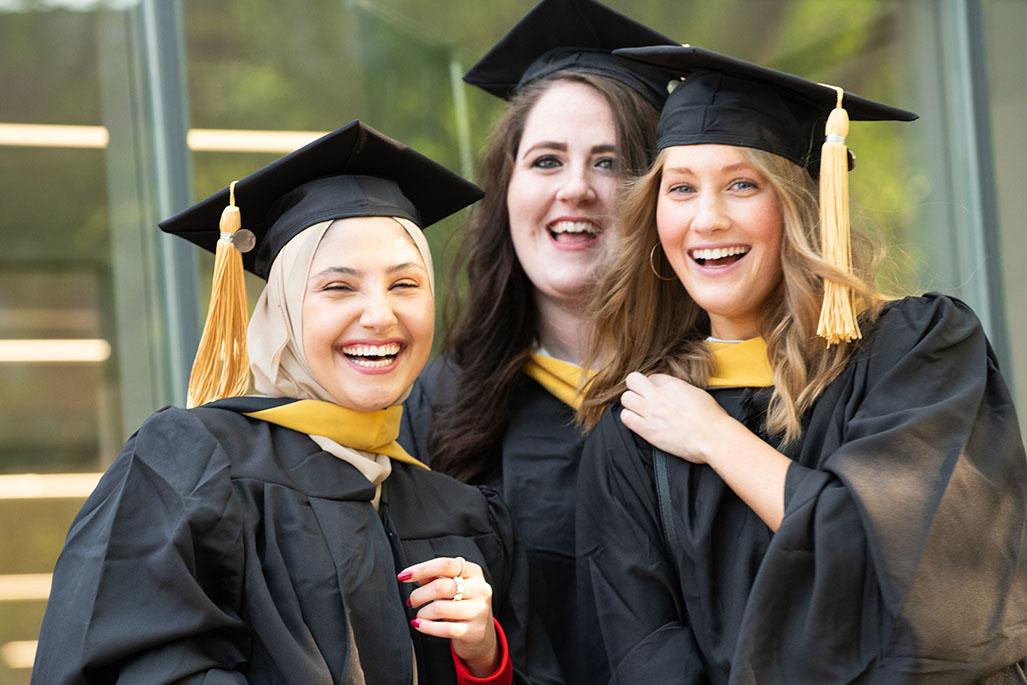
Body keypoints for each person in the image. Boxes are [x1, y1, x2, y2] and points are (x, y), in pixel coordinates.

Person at [576, 45, 1027, 683]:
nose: (707, 219)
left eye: (742, 184)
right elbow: (645, 649)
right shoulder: (641, 423)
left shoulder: (917, 353)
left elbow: (910, 578)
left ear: (803, 204)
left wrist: (714, 436)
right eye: (680, 189)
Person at [33, 121, 531, 684]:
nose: (380, 314)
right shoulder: (192, 463)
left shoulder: (457, 512)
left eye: (405, 284)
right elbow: (131, 663)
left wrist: (485, 659)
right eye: (337, 287)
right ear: (283, 313)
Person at [399, 2, 676, 682]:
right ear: (507, 189)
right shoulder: (441, 408)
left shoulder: (724, 395)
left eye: (609, 162)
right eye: (546, 160)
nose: (575, 189)